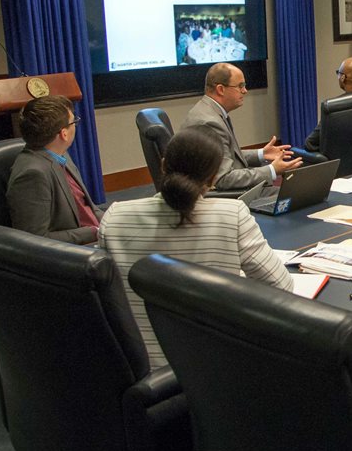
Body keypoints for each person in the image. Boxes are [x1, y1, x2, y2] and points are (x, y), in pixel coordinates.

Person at [99, 127, 294, 370]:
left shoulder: (114, 216)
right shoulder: (232, 215)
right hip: (216, 364)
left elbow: (109, 298)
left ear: (162, 166)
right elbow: (281, 287)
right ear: (213, 179)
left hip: (138, 363)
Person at [182, 62, 302, 190]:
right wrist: (272, 170)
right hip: (227, 198)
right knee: (292, 194)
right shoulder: (209, 123)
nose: (245, 91)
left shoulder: (209, 111)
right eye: (240, 86)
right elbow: (223, 179)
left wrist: (261, 154)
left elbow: (225, 156)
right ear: (221, 89)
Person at [6, 95, 103, 245]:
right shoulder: (32, 174)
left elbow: (86, 206)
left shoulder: (60, 153)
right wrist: (95, 232)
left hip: (97, 233)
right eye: (74, 122)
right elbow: (36, 239)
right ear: (64, 134)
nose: (76, 125)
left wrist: (113, 221)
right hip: (78, 251)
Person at [303, 56, 352, 152]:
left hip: (344, 165)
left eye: (338, 73)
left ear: (343, 78)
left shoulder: (334, 108)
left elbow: (310, 144)